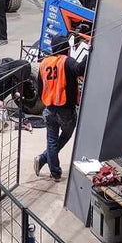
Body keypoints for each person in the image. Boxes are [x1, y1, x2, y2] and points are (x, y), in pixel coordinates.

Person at [34, 35, 87, 182]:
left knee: (51, 140)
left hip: (49, 108)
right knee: (67, 134)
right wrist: (89, 55)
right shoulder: (66, 61)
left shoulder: (44, 63)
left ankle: (55, 172)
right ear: (66, 48)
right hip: (65, 110)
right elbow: (80, 69)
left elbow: (39, 86)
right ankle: (44, 158)